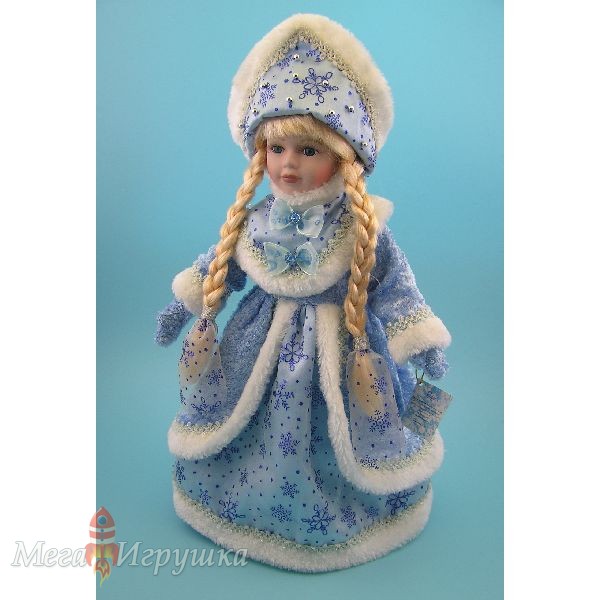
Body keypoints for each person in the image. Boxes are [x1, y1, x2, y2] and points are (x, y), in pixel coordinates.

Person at [155, 14, 451, 572]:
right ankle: (246, 498)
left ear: (342, 157)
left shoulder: (361, 228)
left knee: (347, 429)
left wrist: (420, 341)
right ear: (260, 153)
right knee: (247, 416)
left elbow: (395, 288)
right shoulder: (256, 221)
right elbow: (219, 267)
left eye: (309, 151)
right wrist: (186, 303)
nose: (288, 164)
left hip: (344, 350)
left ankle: (341, 509)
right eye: (277, 148)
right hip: (258, 345)